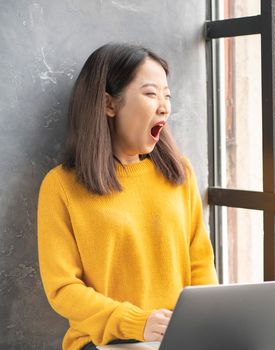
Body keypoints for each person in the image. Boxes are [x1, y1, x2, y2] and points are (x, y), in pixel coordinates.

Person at [37, 42, 218, 350]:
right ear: (109, 104)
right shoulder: (61, 186)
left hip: (180, 340)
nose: (164, 106)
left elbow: (200, 264)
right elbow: (63, 289)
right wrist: (138, 322)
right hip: (105, 343)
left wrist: (204, 323)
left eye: (167, 95)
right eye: (150, 94)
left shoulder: (179, 173)